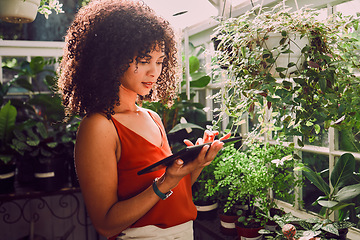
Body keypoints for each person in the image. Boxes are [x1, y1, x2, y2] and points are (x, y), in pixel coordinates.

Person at [57, 0, 229, 239]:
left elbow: (175, 191)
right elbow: (106, 224)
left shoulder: (153, 117)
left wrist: (196, 164)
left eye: (159, 61)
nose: (154, 72)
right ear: (112, 58)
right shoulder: (99, 126)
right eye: (144, 60)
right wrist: (165, 183)